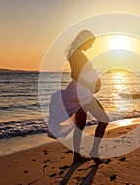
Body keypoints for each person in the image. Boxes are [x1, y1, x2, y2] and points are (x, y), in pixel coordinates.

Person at [47, 30, 109, 165]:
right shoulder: (76, 54)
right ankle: (94, 153)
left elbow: (83, 73)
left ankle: (77, 157)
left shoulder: (77, 53)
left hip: (80, 92)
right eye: (90, 43)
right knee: (104, 120)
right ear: (84, 40)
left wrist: (95, 81)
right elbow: (75, 75)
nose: (91, 46)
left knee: (80, 125)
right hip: (82, 94)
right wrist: (91, 85)